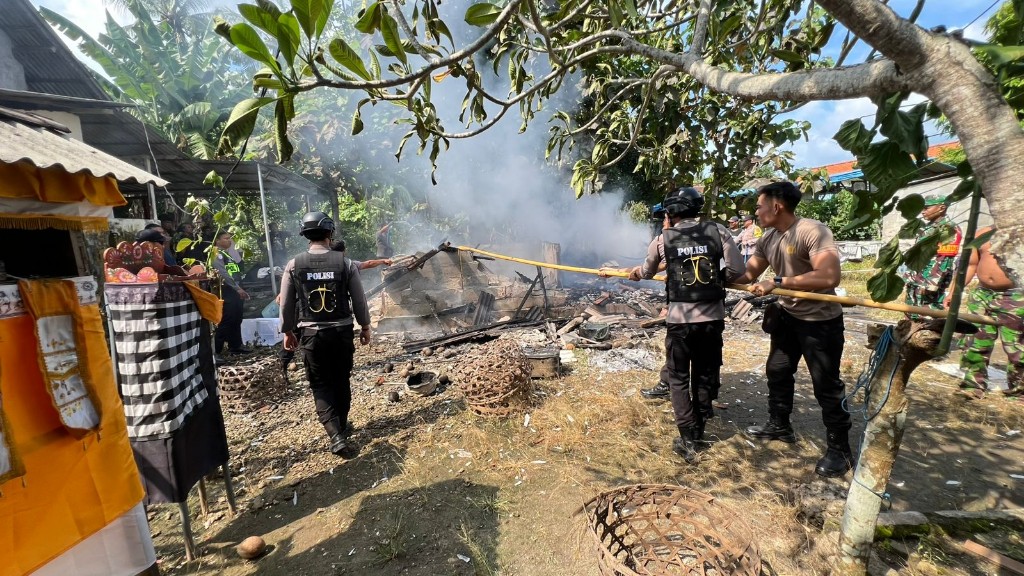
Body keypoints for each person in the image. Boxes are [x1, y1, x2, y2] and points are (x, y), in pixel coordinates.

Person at [736, 181, 852, 478]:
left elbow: (829, 276)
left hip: (820, 321)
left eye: (759, 206)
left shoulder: (812, 231)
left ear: (777, 206)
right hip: (787, 316)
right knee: (777, 370)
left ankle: (840, 450)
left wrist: (777, 283)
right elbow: (748, 274)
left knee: (826, 385)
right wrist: (707, 273)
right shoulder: (768, 239)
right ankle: (780, 425)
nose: (756, 212)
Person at [620, 187, 744, 462]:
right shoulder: (718, 232)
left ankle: (687, 438)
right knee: (703, 373)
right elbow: (737, 271)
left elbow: (648, 271)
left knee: (678, 378)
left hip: (680, 322)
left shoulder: (662, 240)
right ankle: (699, 429)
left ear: (671, 213)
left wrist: (637, 273)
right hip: (712, 319)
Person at [280, 212, 371, 456]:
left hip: (311, 335)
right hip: (341, 333)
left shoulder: (293, 264)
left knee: (320, 384)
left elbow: (286, 304)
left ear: (305, 236)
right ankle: (340, 426)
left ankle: (335, 434)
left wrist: (287, 331)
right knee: (341, 378)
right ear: (330, 233)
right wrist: (365, 326)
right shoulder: (345, 263)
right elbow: (359, 300)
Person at [943, 226, 1023, 398]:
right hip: (982, 295)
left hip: (1015, 296)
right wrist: (953, 293)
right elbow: (970, 265)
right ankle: (972, 386)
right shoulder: (981, 233)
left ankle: (1019, 391)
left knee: (1016, 347)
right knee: (974, 342)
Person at [900, 196, 962, 315]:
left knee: (928, 315)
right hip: (915, 278)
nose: (923, 211)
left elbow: (944, 259)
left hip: (929, 282)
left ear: (942, 208)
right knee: (911, 313)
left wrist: (931, 284)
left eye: (927, 208)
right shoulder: (927, 227)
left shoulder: (949, 229)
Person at [212, 231, 251, 356]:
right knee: (227, 318)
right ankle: (216, 350)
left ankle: (235, 345)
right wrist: (237, 288)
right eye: (226, 238)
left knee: (236, 317)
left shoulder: (226, 253)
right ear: (217, 240)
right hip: (227, 289)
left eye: (230, 238)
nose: (229, 241)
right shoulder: (215, 253)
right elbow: (223, 273)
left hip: (236, 287)